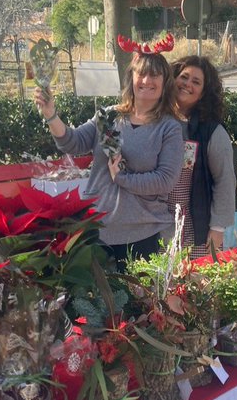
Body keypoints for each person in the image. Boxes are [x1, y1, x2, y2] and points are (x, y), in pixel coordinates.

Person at [34, 50, 184, 267]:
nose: (146, 81)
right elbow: (72, 142)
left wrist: (123, 179)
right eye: (141, 74)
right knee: (97, 299)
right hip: (99, 230)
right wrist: (51, 115)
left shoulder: (168, 127)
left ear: (165, 82)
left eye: (154, 75)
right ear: (131, 77)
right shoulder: (109, 116)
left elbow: (165, 180)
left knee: (140, 299)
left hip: (143, 233)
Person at [170, 56, 237, 257]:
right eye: (184, 77)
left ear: (203, 93)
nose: (187, 84)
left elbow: (225, 180)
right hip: (158, 224)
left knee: (196, 283)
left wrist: (218, 228)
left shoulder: (212, 132)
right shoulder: (156, 121)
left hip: (196, 226)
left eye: (196, 82)